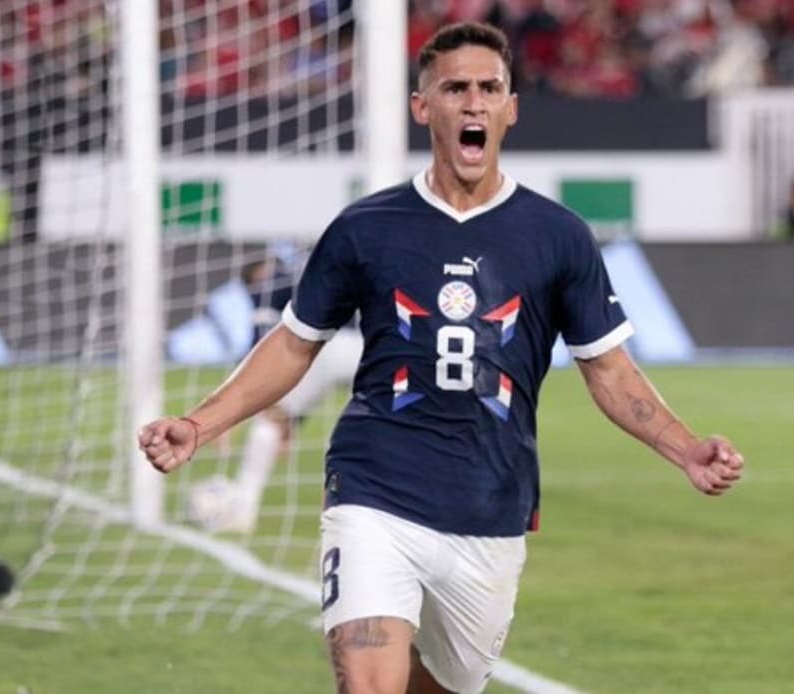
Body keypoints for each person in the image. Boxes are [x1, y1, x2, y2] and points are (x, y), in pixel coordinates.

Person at [139, 22, 745, 694]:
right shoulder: (365, 227)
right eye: (456, 88)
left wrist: (685, 449)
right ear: (422, 106)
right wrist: (199, 424)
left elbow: (609, 368)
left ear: (512, 107)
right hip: (374, 490)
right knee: (370, 685)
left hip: (491, 506)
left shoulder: (558, 237)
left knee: (444, 686)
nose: (474, 103)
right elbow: (293, 342)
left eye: (490, 88)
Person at [193, 255, 363, 533]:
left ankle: (244, 509)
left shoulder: (263, 292)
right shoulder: (307, 271)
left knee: (269, 422)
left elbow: (263, 349)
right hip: (367, 346)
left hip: (328, 346)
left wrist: (229, 409)